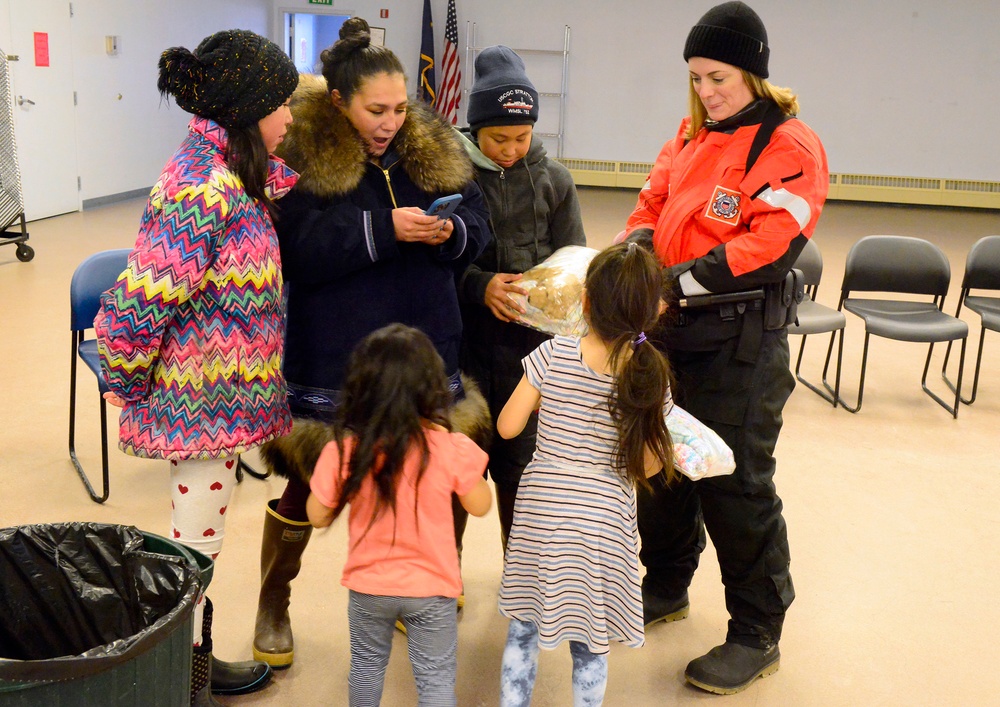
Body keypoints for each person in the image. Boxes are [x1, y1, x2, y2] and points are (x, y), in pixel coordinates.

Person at [251, 17, 492, 669]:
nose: (390, 121)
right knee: (308, 483)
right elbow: (297, 249)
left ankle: (442, 573)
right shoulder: (299, 154)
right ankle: (274, 602)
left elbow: (477, 218)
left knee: (440, 473)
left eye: (398, 107)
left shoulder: (432, 144)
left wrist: (452, 235)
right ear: (338, 102)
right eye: (374, 109)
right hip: (337, 358)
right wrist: (384, 227)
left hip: (425, 352)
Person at [620, 1, 829, 695]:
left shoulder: (790, 146)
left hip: (739, 340)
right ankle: (667, 584)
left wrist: (672, 284)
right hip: (671, 333)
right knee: (664, 467)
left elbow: (767, 246)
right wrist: (639, 257)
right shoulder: (691, 135)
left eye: (719, 77)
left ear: (754, 72)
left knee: (733, 484)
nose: (706, 91)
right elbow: (650, 204)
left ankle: (756, 631)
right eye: (696, 77)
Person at [93, 29, 299, 706]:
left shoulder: (237, 177)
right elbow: (138, 302)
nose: (291, 117)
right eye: (283, 104)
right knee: (192, 549)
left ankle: (188, 663)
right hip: (198, 404)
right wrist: (123, 377)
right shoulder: (200, 189)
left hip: (221, 401)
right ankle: (173, 673)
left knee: (199, 543)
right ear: (247, 111)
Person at [495, 242, 676, 707]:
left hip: (542, 513)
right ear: (653, 311)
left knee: (523, 630)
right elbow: (648, 466)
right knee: (591, 642)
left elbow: (508, 426)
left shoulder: (552, 354)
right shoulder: (649, 375)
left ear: (586, 300)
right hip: (604, 523)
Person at [306, 323, 492, 706]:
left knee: (366, 669)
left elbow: (318, 516)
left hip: (368, 587)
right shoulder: (450, 447)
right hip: (433, 588)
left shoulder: (345, 451)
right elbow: (481, 504)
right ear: (431, 390)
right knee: (436, 681)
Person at [455, 45, 587, 551]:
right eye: (497, 138)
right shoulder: (452, 175)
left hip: (531, 354)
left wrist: (552, 293)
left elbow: (575, 263)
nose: (510, 149)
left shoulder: (555, 181)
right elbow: (431, 265)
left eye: (521, 137)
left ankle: (521, 576)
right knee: (460, 465)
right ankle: (447, 578)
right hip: (464, 346)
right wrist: (477, 284)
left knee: (523, 468)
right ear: (475, 130)